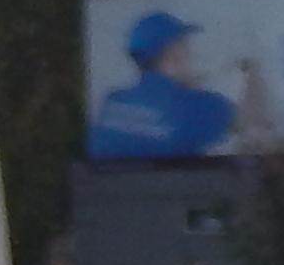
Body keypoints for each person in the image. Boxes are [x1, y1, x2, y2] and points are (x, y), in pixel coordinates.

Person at [89, 9, 242, 157]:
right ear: (175, 53)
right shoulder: (202, 105)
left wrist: (183, 87)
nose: (192, 54)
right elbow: (251, 122)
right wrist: (252, 72)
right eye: (186, 46)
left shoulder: (113, 101)